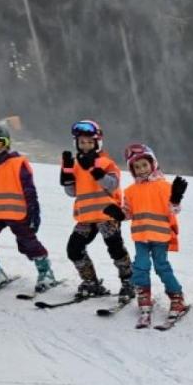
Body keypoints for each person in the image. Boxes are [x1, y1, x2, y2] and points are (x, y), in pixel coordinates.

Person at [0, 123, 57, 292]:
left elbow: (30, 191)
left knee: (28, 243)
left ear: (7, 144)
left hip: (18, 214)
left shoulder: (17, 163)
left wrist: (33, 214)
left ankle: (46, 272)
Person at [59, 119, 132, 300]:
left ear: (97, 143)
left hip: (107, 215)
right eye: (82, 142)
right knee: (74, 249)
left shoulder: (106, 162)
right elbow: (72, 192)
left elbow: (113, 184)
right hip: (85, 217)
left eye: (90, 142)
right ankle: (91, 282)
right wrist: (67, 176)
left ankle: (129, 281)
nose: (85, 146)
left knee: (115, 248)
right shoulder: (74, 164)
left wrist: (94, 169)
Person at [122, 141, 188, 326]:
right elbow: (128, 212)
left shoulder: (164, 186)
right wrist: (118, 213)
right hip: (141, 237)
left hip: (160, 237)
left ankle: (177, 298)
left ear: (153, 164)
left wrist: (175, 199)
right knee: (140, 267)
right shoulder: (130, 191)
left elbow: (174, 210)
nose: (142, 169)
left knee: (162, 267)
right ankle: (144, 297)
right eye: (137, 167)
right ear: (132, 170)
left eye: (144, 165)